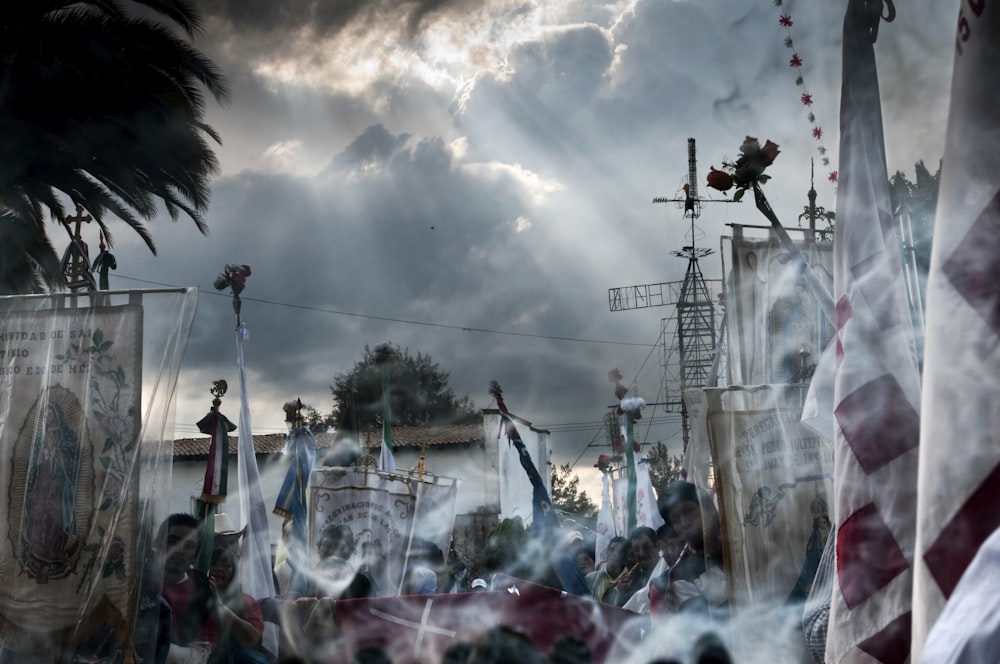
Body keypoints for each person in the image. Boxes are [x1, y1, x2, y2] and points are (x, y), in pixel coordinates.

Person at [655, 480, 727, 617]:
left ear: (708, 508)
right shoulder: (681, 576)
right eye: (676, 520)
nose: (685, 523)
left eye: (689, 511)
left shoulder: (741, 542)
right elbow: (705, 626)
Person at [158, 513, 217, 664]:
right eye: (173, 541)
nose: (180, 550)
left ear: (195, 555)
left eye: (189, 546)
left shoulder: (202, 593)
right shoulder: (138, 583)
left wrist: (154, 647)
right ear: (159, 543)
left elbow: (200, 656)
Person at [206, 546, 268, 663]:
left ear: (234, 572)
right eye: (213, 564)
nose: (219, 569)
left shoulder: (245, 601)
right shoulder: (195, 597)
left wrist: (220, 607)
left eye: (226, 565)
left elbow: (252, 639)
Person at [314, 522, 372, 599]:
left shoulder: (362, 583)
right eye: (327, 545)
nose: (332, 551)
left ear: (351, 551)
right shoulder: (307, 580)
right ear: (319, 548)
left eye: (339, 547)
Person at [586, 536, 629, 606]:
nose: (615, 554)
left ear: (625, 556)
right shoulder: (590, 578)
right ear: (607, 553)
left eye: (620, 551)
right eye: (612, 550)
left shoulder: (630, 581)